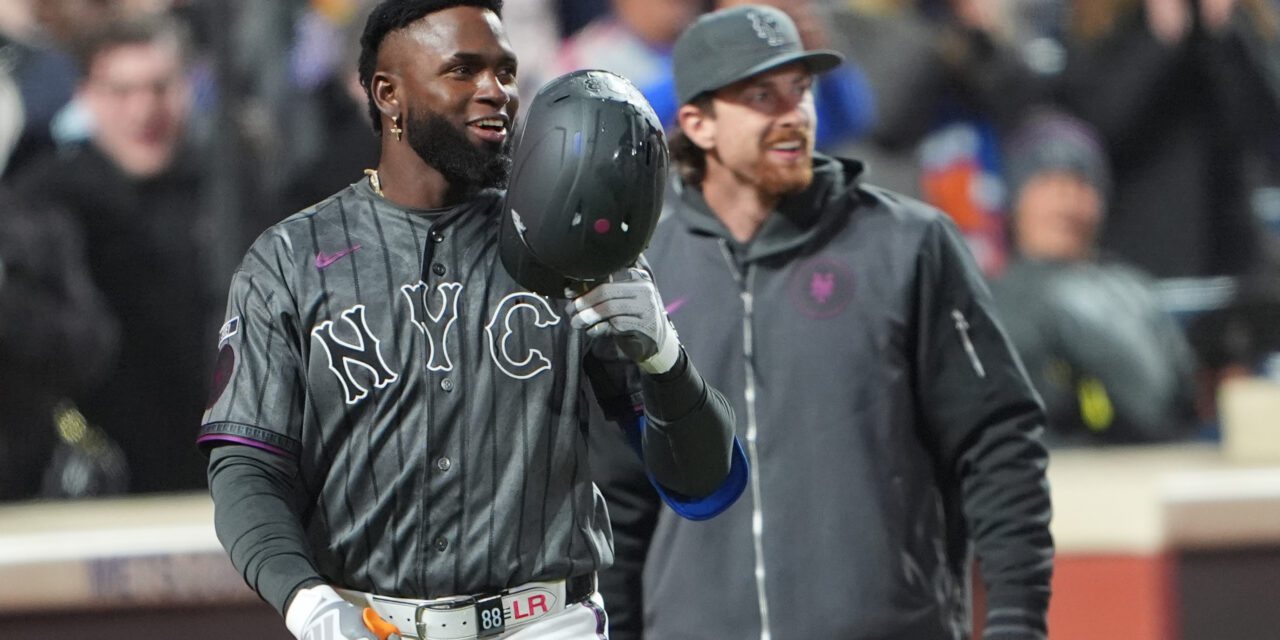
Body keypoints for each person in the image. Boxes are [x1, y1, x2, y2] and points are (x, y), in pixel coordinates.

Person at [197, 2, 742, 640]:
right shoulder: (290, 258)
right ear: (389, 94)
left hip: (546, 622)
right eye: (463, 71)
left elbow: (705, 487)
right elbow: (246, 469)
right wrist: (305, 602)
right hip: (369, 622)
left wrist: (665, 361)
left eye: (505, 72)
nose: (496, 92)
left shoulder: (568, 238)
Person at [592, 5, 1054, 639]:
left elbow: (998, 443)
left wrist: (1017, 621)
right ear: (698, 122)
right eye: (762, 96)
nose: (794, 114)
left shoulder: (907, 245)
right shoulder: (644, 275)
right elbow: (618, 494)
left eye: (801, 89)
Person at [13, 12, 235, 493]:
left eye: (159, 87)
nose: (143, 109)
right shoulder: (44, 200)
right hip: (91, 476)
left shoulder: (229, 192)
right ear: (85, 96)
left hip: (213, 465)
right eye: (121, 91)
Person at [988, 108, 1199, 445]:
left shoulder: (1134, 291)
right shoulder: (989, 301)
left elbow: (1173, 404)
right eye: (1048, 183)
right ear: (1016, 200)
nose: (1066, 201)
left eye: (1081, 184)